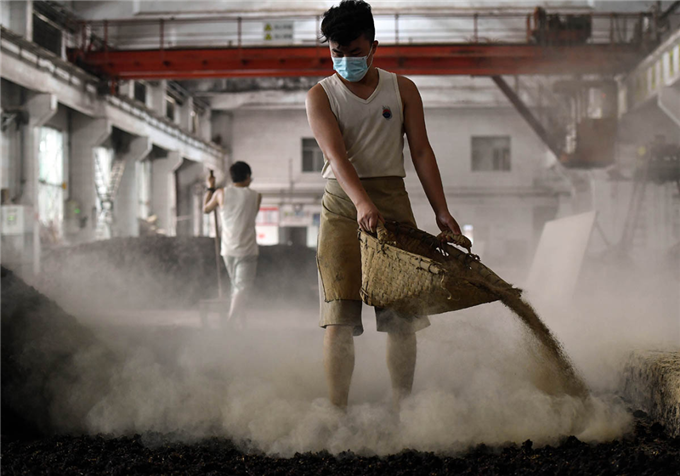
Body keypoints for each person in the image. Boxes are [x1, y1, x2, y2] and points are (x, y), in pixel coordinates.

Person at [305, 0, 463, 409]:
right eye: (336, 53)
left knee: (401, 318)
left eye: (354, 53)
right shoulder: (320, 96)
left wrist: (441, 210)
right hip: (342, 207)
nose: (345, 61)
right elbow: (337, 157)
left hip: (393, 203)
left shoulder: (402, 88)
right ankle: (338, 410)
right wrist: (360, 203)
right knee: (339, 316)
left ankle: (401, 406)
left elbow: (422, 151)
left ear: (373, 46)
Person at [204, 161, 262, 327]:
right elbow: (252, 214)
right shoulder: (256, 195)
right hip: (248, 250)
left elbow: (205, 209)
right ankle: (230, 323)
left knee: (236, 289)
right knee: (241, 289)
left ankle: (239, 324)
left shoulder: (220, 193)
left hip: (227, 249)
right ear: (248, 177)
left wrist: (210, 188)